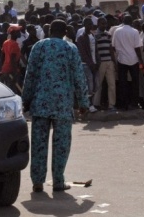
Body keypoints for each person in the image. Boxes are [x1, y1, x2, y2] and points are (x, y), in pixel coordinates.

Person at [21, 19, 89, 193]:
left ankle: (37, 182)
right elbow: (79, 78)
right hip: (63, 105)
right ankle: (58, 181)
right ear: (65, 31)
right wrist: (83, 103)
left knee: (38, 144)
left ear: (49, 30)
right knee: (62, 144)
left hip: (40, 104)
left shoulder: (39, 47)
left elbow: (30, 75)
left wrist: (25, 100)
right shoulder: (70, 48)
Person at [112, 15, 144, 110]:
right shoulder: (135, 32)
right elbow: (137, 48)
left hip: (121, 59)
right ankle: (134, 103)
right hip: (133, 60)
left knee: (123, 83)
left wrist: (120, 52)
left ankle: (123, 104)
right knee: (135, 83)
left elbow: (113, 46)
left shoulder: (117, 31)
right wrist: (141, 61)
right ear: (131, 22)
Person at [93, 17, 116, 111]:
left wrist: (114, 62)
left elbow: (111, 49)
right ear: (98, 24)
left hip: (109, 61)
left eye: (105, 23)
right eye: (102, 23)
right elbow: (94, 50)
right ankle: (96, 104)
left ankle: (112, 105)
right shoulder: (95, 35)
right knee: (98, 84)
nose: (104, 25)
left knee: (112, 84)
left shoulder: (108, 34)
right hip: (100, 62)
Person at [76, 17, 98, 113]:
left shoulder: (93, 35)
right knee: (89, 85)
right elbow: (83, 53)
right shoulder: (81, 37)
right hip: (86, 65)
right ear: (84, 25)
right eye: (88, 24)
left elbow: (96, 51)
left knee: (95, 85)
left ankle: (89, 104)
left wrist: (97, 62)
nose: (90, 25)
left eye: (91, 24)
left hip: (94, 64)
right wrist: (91, 64)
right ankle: (89, 105)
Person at [0, 26, 22, 93]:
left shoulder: (6, 42)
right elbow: (12, 59)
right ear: (13, 33)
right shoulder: (14, 44)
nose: (19, 33)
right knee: (13, 92)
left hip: (5, 70)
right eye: (18, 31)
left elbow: (2, 57)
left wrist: (1, 69)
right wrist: (15, 73)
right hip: (11, 71)